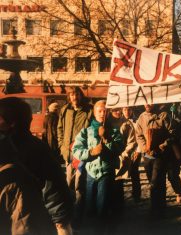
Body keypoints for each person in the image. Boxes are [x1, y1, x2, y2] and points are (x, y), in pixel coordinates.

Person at [0, 97, 73, 234]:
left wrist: (60, 220)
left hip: (27, 219)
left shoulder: (34, 150)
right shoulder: (7, 146)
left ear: (12, 123)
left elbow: (54, 188)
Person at [72, 100, 123, 233]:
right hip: (90, 174)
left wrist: (107, 139)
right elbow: (76, 149)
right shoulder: (86, 131)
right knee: (90, 207)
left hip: (106, 173)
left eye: (105, 111)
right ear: (94, 113)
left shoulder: (114, 131)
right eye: (99, 111)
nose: (102, 113)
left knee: (103, 206)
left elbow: (119, 148)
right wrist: (90, 152)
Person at [57, 86, 93, 228]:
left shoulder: (88, 111)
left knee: (79, 186)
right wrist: (62, 146)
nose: (74, 97)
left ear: (81, 96)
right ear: (69, 97)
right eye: (72, 95)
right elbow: (60, 129)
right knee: (68, 185)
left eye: (77, 94)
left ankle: (77, 218)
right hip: (68, 154)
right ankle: (69, 215)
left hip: (81, 155)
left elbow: (92, 131)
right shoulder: (65, 110)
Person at [135, 104, 176, 217]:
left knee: (155, 181)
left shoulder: (164, 116)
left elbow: (172, 133)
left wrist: (162, 146)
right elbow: (139, 135)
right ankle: (161, 205)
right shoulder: (141, 117)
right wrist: (145, 148)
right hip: (147, 156)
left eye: (151, 101)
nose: (148, 104)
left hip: (160, 155)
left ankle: (155, 209)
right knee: (156, 181)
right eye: (146, 102)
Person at [121, 106, 141, 202]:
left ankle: (136, 195)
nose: (127, 112)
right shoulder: (120, 121)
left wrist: (138, 150)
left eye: (128, 109)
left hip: (134, 150)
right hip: (123, 151)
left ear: (132, 110)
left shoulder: (137, 120)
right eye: (125, 110)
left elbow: (140, 137)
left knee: (134, 172)